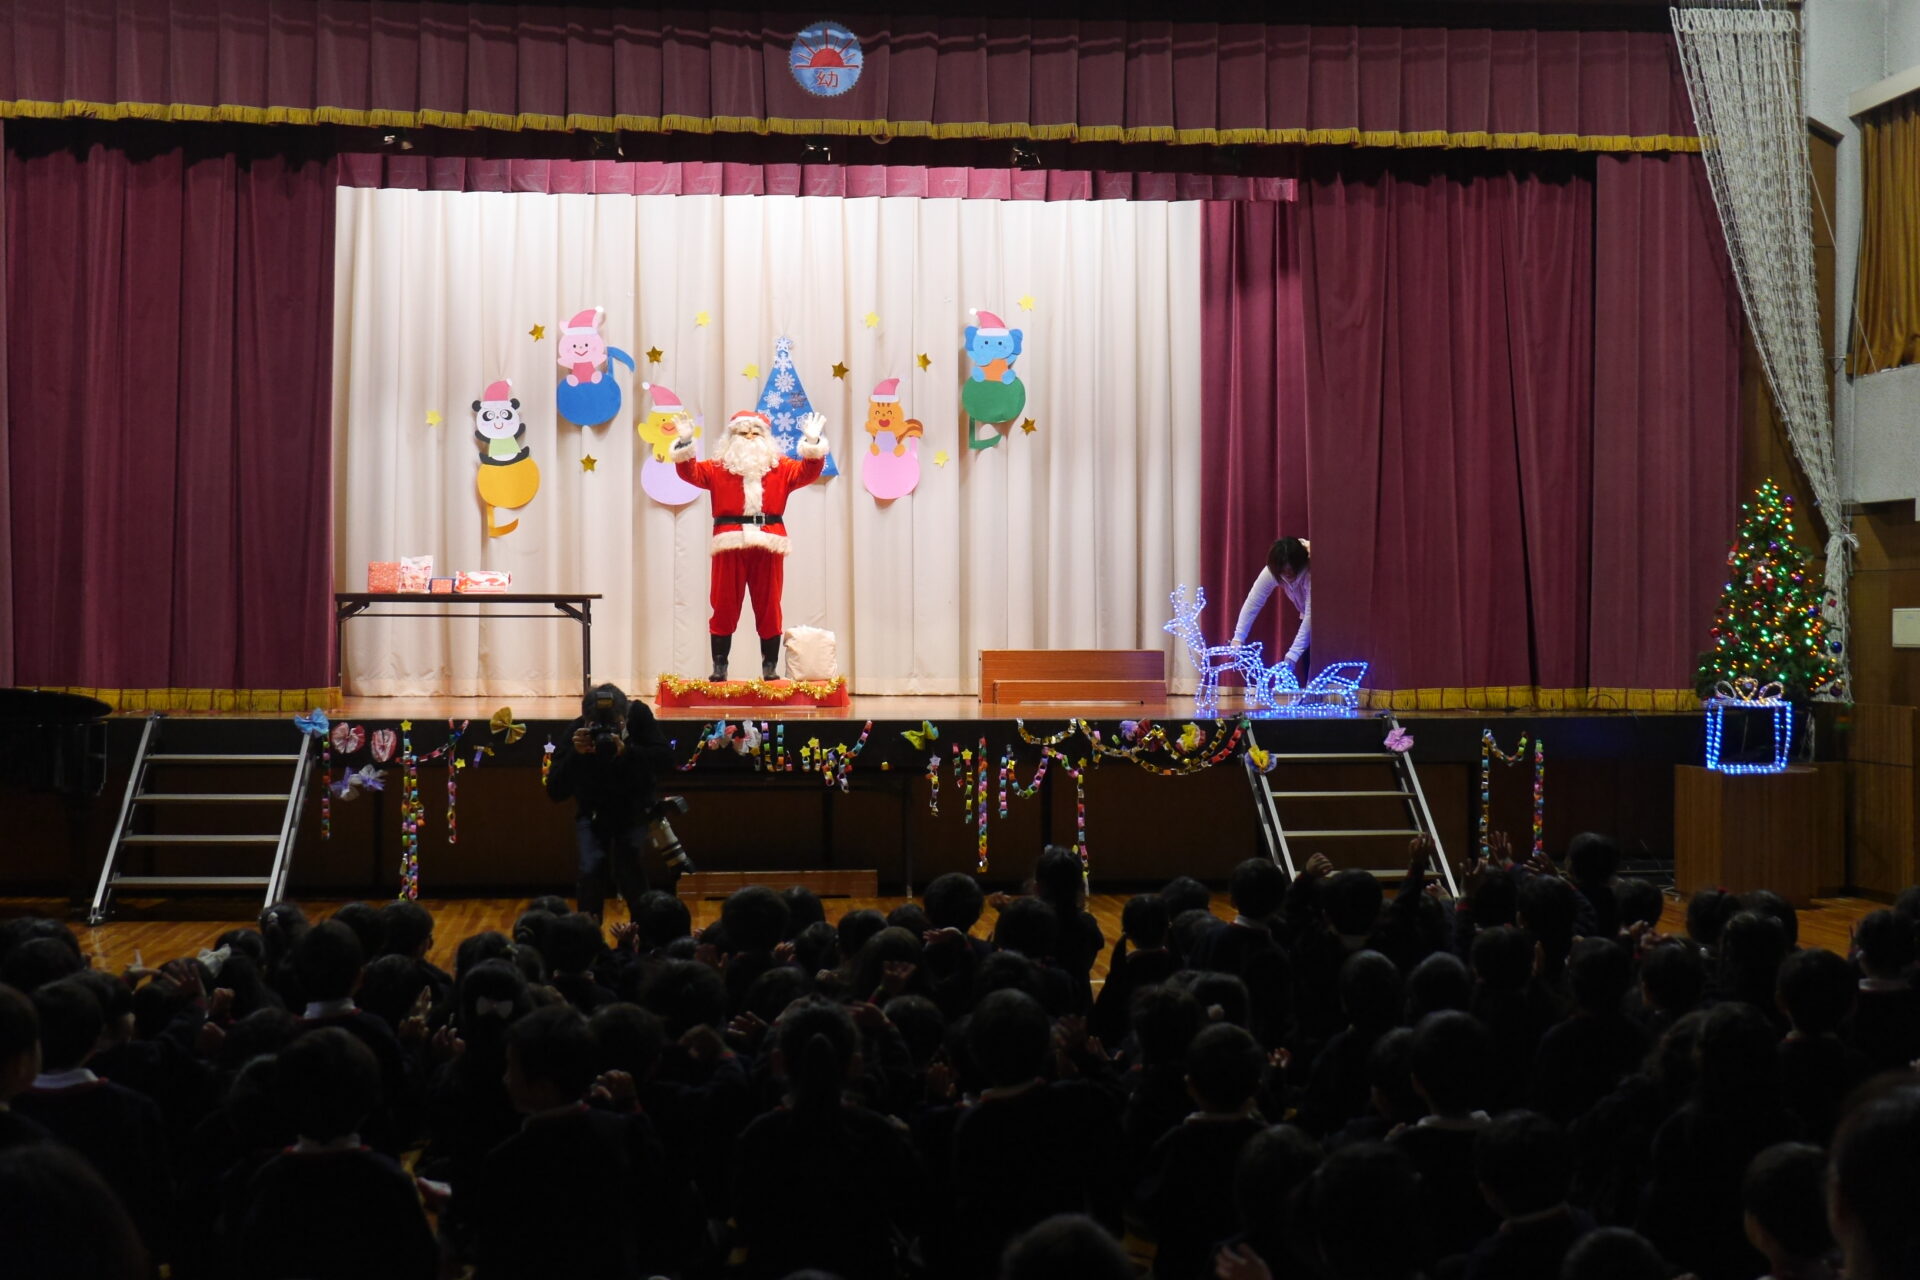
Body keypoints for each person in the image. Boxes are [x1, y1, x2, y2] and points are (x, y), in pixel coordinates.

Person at [672, 405, 830, 680]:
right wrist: (685, 444)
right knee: (723, 604)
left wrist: (813, 442)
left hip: (769, 543)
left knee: (769, 606)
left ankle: (770, 669)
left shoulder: (781, 467)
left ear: (766, 437)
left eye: (755, 432)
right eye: (743, 432)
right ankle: (719, 668)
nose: (749, 437)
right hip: (729, 544)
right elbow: (690, 473)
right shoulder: (718, 467)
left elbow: (808, 472)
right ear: (731, 437)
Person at [545, 682, 684, 922]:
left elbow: (666, 761)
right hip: (593, 813)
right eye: (596, 726)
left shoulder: (639, 716)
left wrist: (628, 752)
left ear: (625, 718)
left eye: (615, 725)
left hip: (633, 810)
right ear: (586, 721)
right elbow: (555, 790)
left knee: (629, 867)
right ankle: (588, 935)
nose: (606, 733)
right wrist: (576, 755)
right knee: (591, 869)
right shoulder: (578, 732)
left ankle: (643, 931)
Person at [1230, 537, 1311, 672]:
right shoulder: (1273, 570)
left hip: (1329, 615)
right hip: (1308, 615)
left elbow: (1311, 615)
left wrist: (1294, 653)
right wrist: (1238, 638)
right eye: (1283, 571)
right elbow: (1253, 602)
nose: (1288, 574)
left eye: (1292, 570)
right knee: (1307, 662)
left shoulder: (1310, 573)